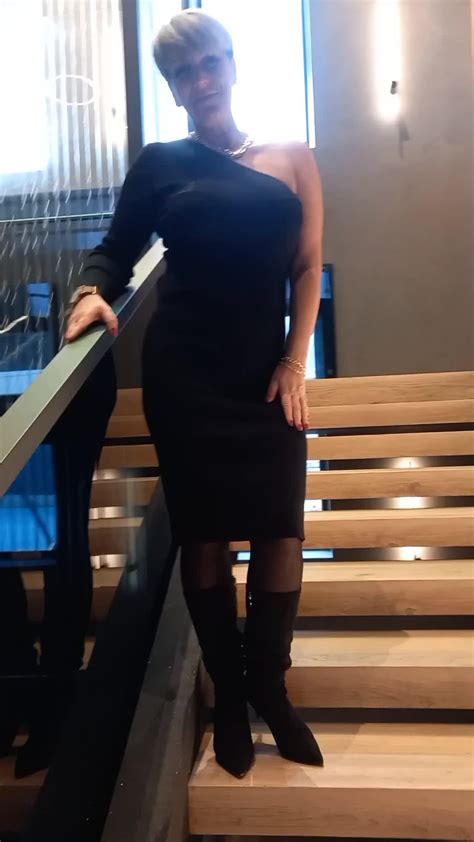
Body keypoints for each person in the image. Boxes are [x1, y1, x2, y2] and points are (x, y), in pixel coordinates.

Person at [65, 9, 324, 779]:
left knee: (280, 530)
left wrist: (295, 361)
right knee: (205, 537)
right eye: (183, 73)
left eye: (209, 63)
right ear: (174, 89)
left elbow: (307, 266)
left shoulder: (294, 156)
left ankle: (270, 686)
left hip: (263, 375)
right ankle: (230, 694)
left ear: (232, 64)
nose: (201, 80)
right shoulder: (161, 163)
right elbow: (115, 249)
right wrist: (89, 291)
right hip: (186, 377)